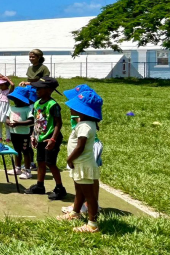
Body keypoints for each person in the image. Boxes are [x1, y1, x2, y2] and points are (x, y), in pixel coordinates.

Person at [57, 89, 103, 233]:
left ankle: (92, 224)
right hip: (79, 164)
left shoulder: (85, 126)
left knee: (89, 196)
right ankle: (75, 213)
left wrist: (70, 159)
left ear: (84, 110)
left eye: (75, 107)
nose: (71, 108)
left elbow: (80, 146)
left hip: (83, 164)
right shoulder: (85, 122)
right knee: (79, 192)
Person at [25, 77, 66, 200]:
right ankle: (40, 186)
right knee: (40, 162)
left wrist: (53, 139)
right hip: (41, 138)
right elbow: (37, 121)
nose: (36, 90)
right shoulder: (37, 103)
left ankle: (60, 188)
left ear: (49, 90)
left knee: (50, 163)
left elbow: (58, 123)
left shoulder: (53, 105)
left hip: (51, 139)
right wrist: (34, 135)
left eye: (39, 88)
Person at [5, 86, 37, 179]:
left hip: (24, 134)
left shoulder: (27, 109)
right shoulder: (11, 108)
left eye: (18, 99)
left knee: (25, 151)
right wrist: (9, 122)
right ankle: (17, 168)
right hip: (14, 133)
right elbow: (7, 118)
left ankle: (27, 171)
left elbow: (31, 121)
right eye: (15, 99)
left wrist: (18, 123)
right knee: (16, 151)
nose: (16, 101)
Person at [0, 75, 15, 142]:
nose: (0, 86)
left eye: (2, 85)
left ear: (7, 85)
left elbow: (12, 85)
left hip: (5, 107)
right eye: (0, 85)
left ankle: (8, 138)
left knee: (6, 123)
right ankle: (0, 137)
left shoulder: (9, 91)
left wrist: (7, 79)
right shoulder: (0, 90)